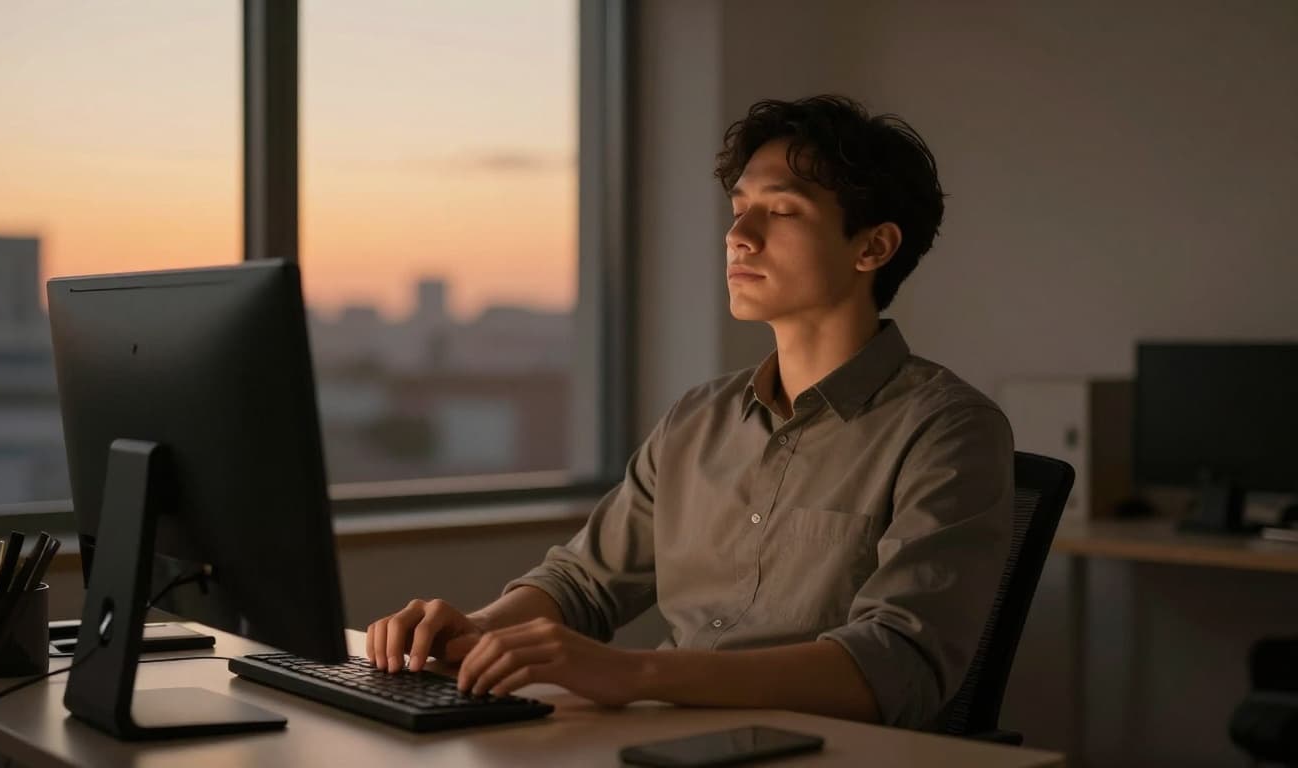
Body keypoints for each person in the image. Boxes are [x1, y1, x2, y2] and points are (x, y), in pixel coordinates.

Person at [365, 95, 1013, 730]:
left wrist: (634, 674)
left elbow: (895, 666)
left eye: (780, 211)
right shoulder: (697, 418)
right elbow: (583, 584)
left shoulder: (948, 430)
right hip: (672, 739)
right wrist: (477, 629)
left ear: (872, 248)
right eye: (738, 211)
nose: (738, 237)